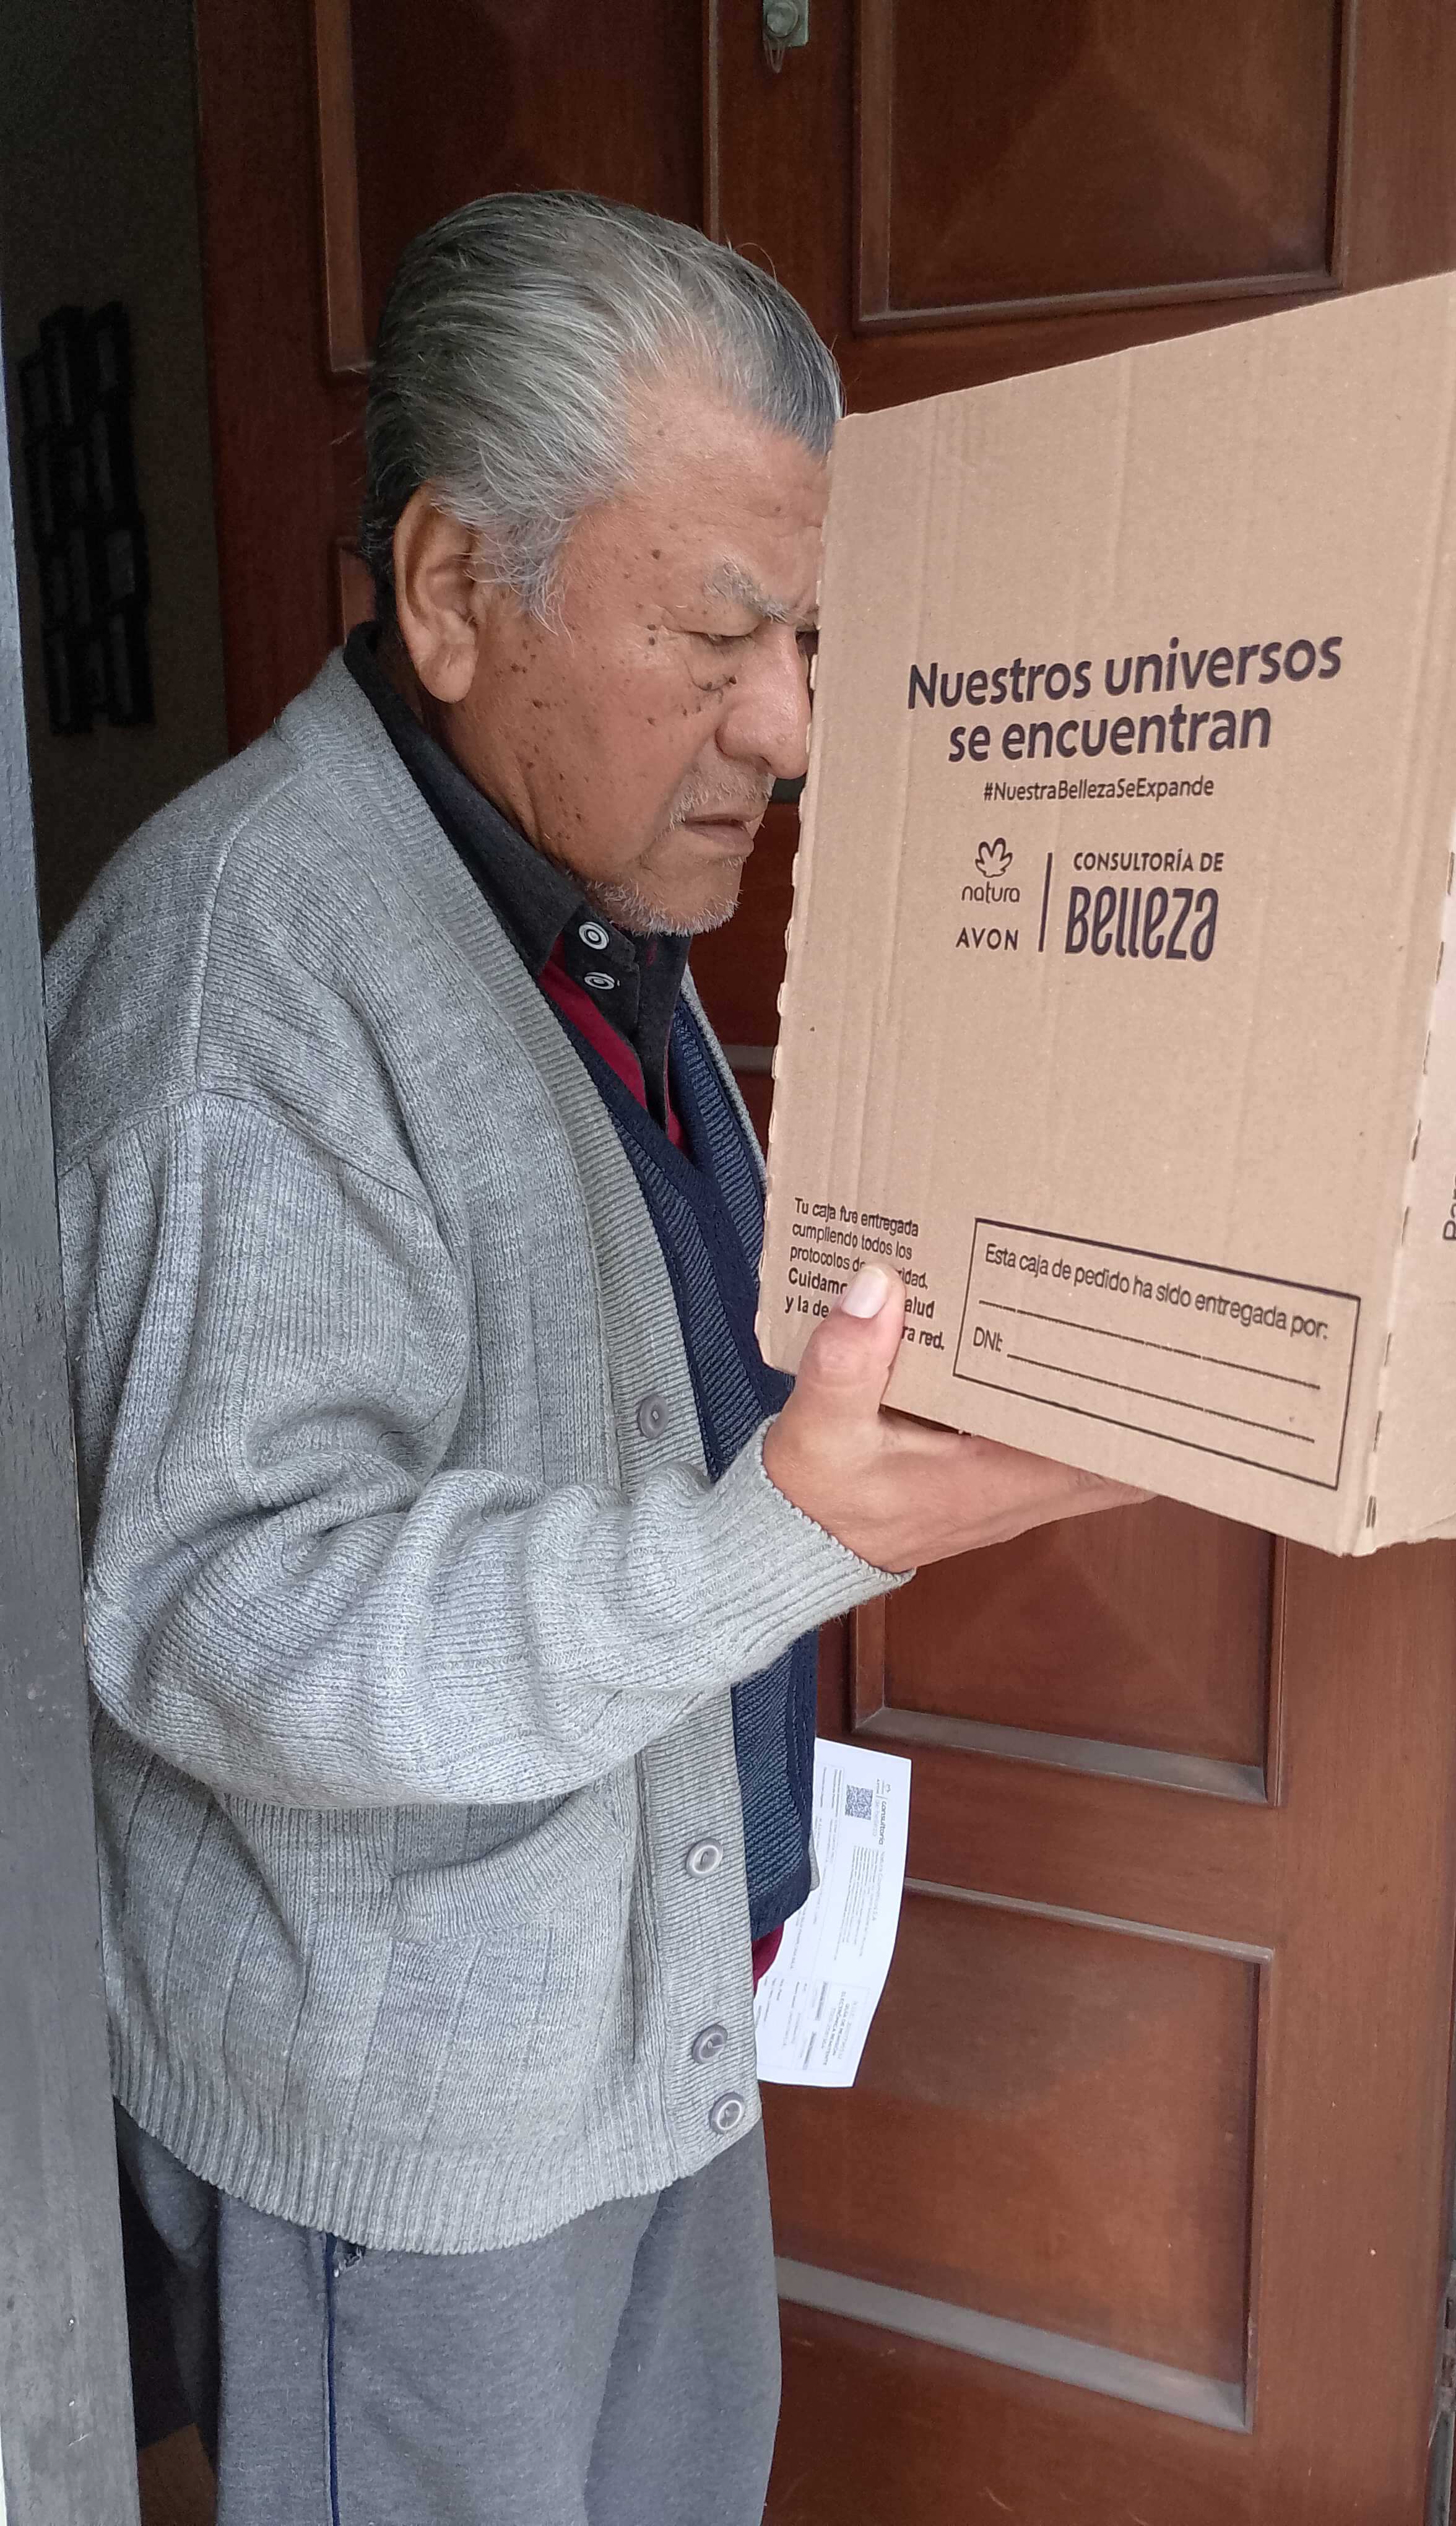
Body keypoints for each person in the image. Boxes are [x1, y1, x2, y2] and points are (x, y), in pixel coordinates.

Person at [46, 191, 1138, 2526]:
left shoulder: (587, 906)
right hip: (415, 2142)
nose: (794, 725)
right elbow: (226, 1614)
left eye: (809, 636)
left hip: (654, 2030)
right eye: (723, 635)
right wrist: (782, 1534)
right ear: (454, 590)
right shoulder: (247, 981)